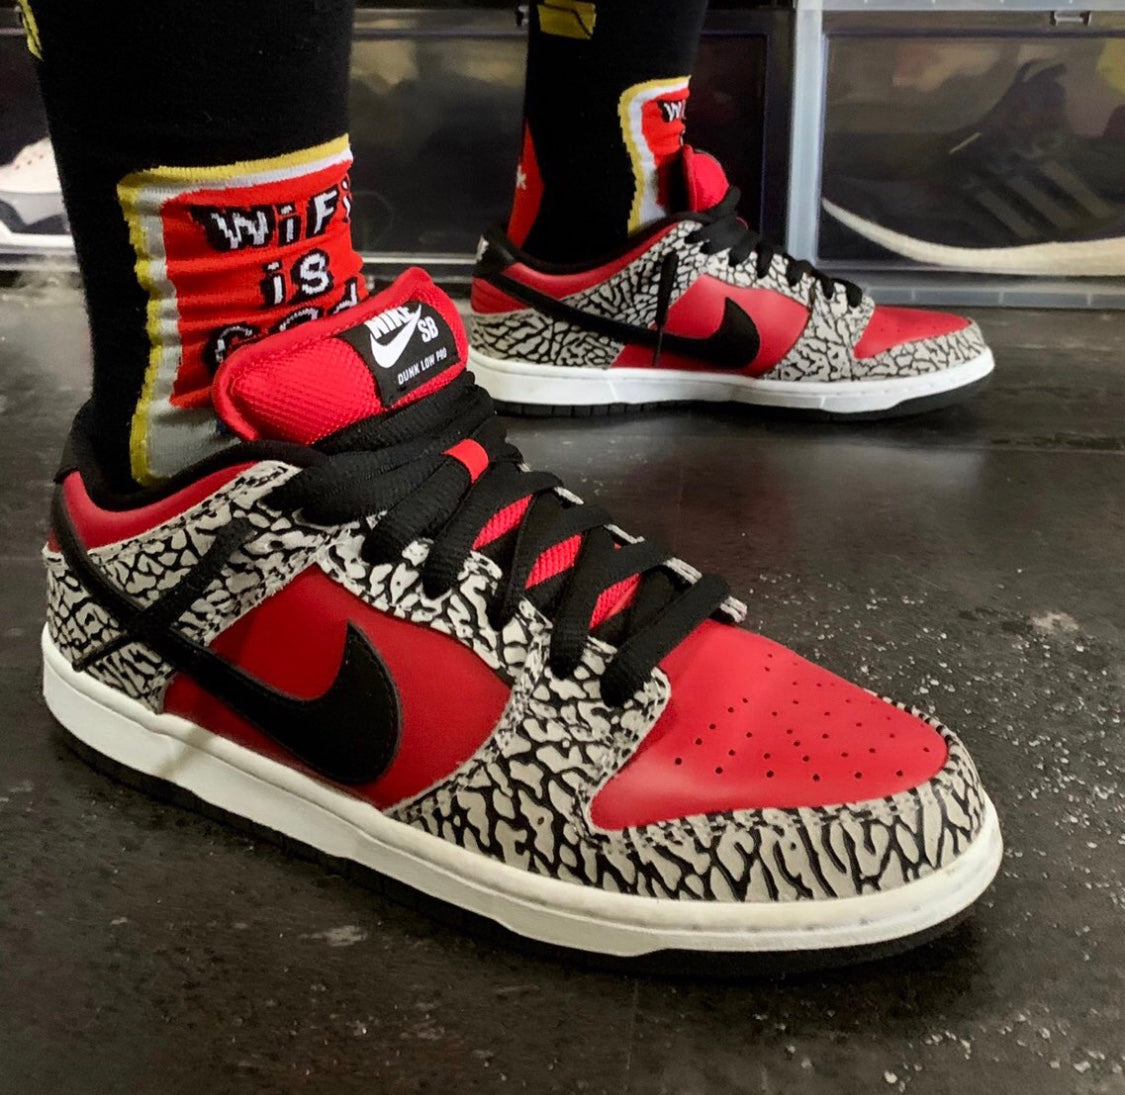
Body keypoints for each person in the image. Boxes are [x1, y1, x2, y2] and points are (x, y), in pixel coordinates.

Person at [26, 0, 1000, 962]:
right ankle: (179, 519)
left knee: (302, 348)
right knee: (232, 365)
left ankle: (577, 249)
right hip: (218, 537)